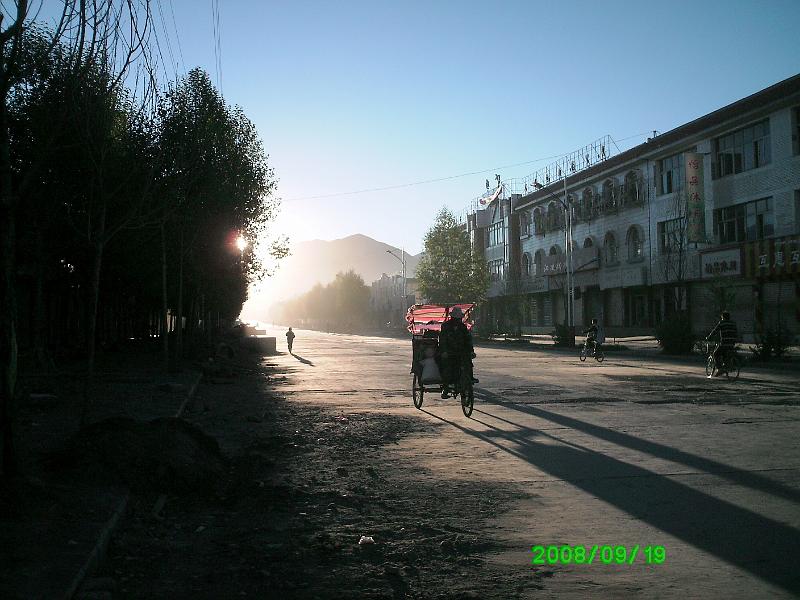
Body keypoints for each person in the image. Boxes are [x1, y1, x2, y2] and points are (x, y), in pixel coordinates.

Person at [439, 306, 476, 399]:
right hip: (448, 351)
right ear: (453, 317)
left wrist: (471, 351)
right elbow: (442, 340)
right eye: (457, 318)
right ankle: (445, 388)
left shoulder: (463, 327)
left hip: (461, 351)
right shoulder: (445, 326)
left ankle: (469, 379)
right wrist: (444, 351)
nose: (458, 319)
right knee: (447, 368)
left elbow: (468, 340)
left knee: (468, 364)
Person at [705, 311, 738, 377]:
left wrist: (708, 337)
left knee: (715, 354)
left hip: (724, 343)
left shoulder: (722, 323)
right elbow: (736, 333)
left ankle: (720, 369)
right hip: (731, 344)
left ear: (723, 317)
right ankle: (726, 367)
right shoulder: (733, 324)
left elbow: (715, 331)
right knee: (724, 354)